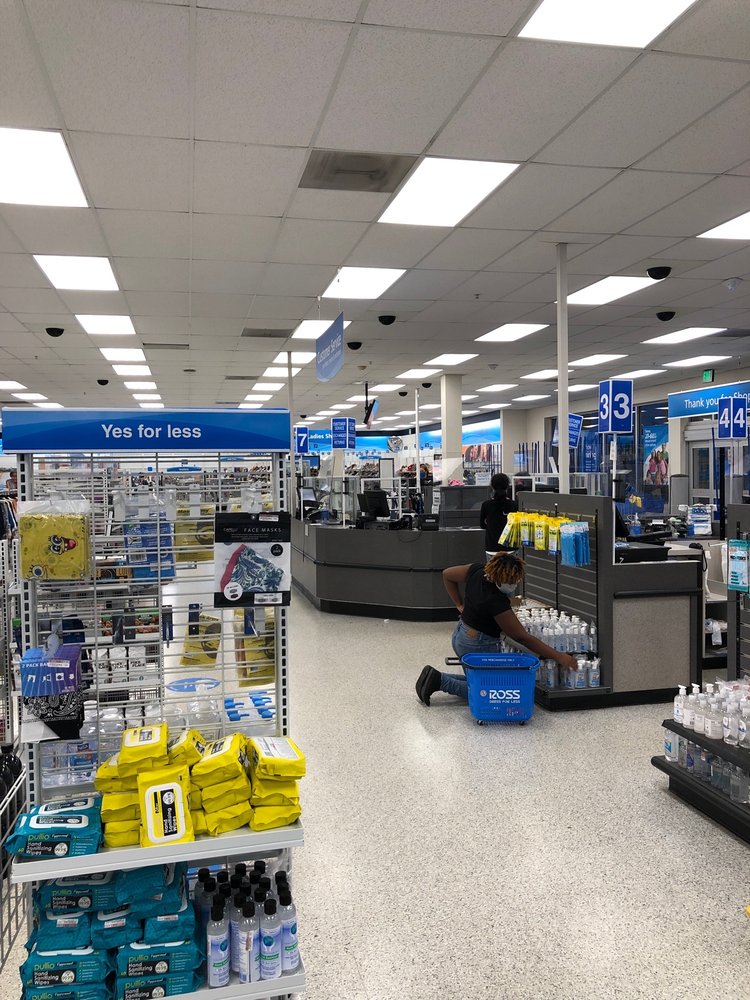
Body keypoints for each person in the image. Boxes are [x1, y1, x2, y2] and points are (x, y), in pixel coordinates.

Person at [415, 552, 577, 705]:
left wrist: (459, 604)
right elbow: (522, 637)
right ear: (500, 580)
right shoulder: (495, 599)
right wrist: (559, 656)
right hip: (477, 644)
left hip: (461, 633)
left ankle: (435, 677)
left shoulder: (478, 571)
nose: (514, 585)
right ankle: (441, 682)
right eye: (511, 582)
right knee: (495, 690)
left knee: (482, 678)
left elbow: (447, 574)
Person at [479, 472, 518, 559]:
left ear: (492, 486)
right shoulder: (514, 504)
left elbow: (482, 525)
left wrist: (491, 525)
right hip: (510, 548)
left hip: (492, 548)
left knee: (493, 568)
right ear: (507, 486)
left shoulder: (486, 505)